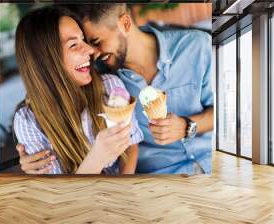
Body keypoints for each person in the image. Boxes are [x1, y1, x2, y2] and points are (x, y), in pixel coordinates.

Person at [18, 4, 214, 175]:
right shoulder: (101, 76)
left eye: (95, 41)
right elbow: (51, 80)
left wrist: (187, 126)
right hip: (158, 177)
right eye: (84, 43)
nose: (91, 52)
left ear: (125, 24)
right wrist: (32, 166)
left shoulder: (196, 46)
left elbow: (229, 113)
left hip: (210, 161)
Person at [13, 6, 143, 174]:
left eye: (84, 40)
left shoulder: (111, 86)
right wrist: (97, 157)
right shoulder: (28, 122)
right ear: (46, 61)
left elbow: (131, 144)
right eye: (74, 44)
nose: (90, 50)